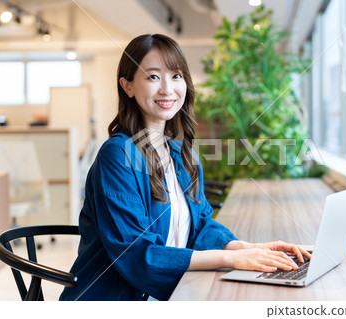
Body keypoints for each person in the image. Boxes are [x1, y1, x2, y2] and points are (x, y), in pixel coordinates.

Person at [60, 34, 311, 301]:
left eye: (176, 76)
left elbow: (200, 223)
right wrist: (230, 259)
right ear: (128, 86)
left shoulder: (182, 154)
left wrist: (246, 248)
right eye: (153, 77)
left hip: (170, 293)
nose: (167, 89)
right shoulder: (119, 154)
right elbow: (137, 254)